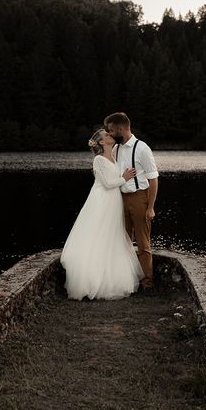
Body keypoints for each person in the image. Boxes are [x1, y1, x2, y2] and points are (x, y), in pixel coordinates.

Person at [60, 128, 144, 300]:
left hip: (114, 201)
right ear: (101, 142)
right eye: (106, 135)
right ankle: (91, 280)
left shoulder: (114, 155)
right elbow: (106, 183)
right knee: (98, 234)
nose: (109, 135)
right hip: (101, 200)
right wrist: (125, 178)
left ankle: (112, 279)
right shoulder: (98, 159)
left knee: (112, 236)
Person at [104, 112, 159, 291]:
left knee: (143, 243)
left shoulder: (142, 148)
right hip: (120, 199)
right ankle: (127, 280)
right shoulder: (116, 149)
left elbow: (153, 179)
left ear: (121, 129)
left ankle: (147, 282)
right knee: (124, 241)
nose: (110, 134)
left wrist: (150, 207)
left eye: (111, 130)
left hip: (139, 198)